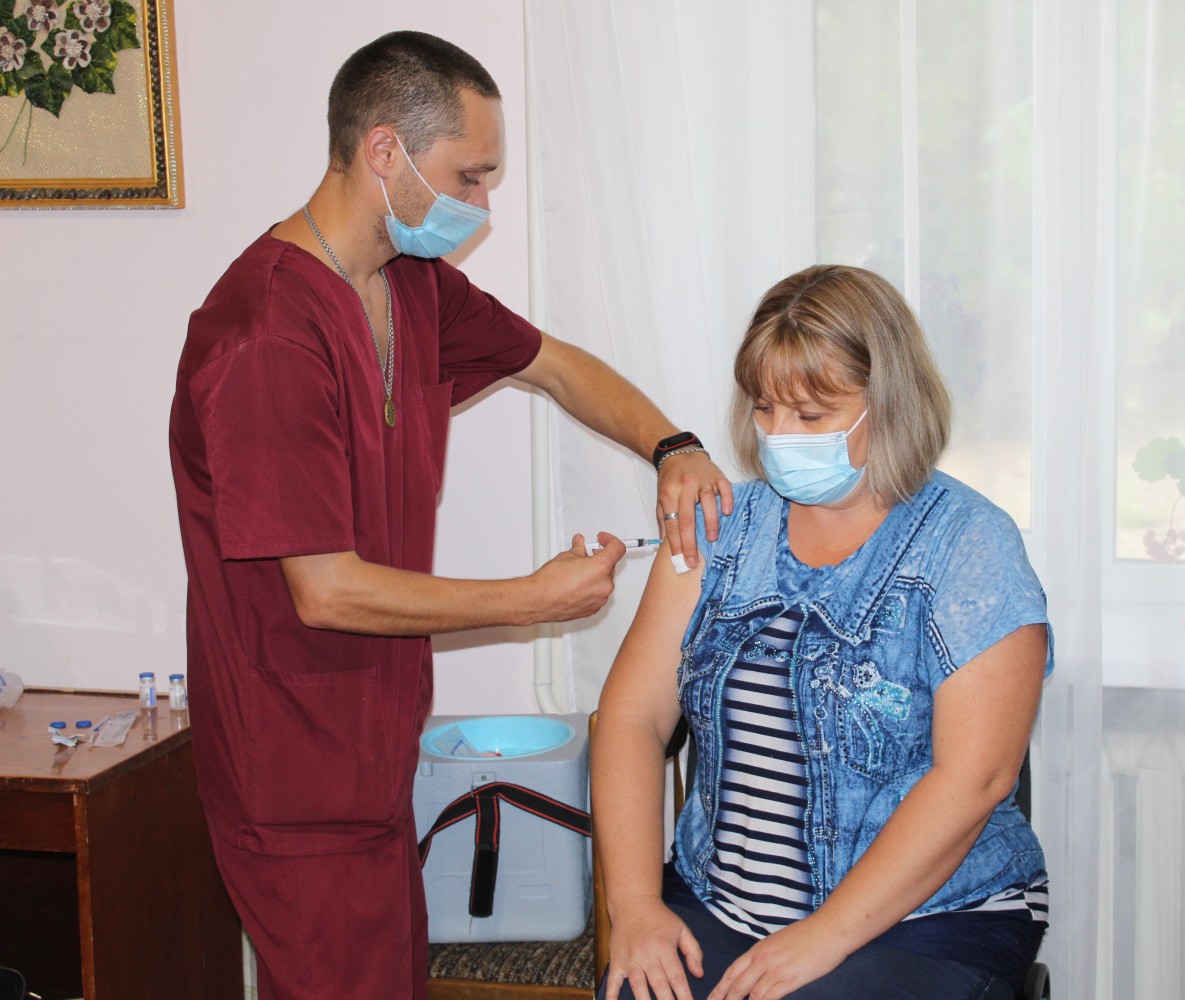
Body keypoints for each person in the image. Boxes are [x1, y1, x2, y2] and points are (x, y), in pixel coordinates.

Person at [169, 31, 732, 1000]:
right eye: (469, 177)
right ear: (384, 150)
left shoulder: (409, 284)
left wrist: (671, 444)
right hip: (293, 769)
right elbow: (327, 591)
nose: (481, 206)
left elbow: (554, 365)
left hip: (375, 756)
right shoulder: (266, 335)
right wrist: (532, 599)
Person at [591, 264, 1052, 1000]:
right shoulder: (717, 528)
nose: (778, 436)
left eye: (810, 416)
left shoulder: (970, 546)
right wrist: (636, 904)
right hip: (722, 900)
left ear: (889, 404)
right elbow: (630, 719)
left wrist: (824, 935)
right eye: (765, 408)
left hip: (929, 915)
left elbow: (976, 778)